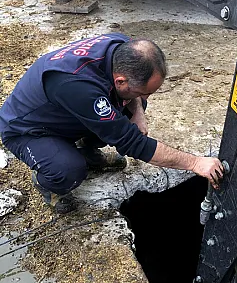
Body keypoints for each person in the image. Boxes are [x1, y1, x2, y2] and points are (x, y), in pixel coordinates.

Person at [0, 34, 224, 214]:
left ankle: (86, 150)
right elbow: (134, 144)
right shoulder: (77, 86)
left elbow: (131, 103)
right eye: (144, 92)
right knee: (69, 170)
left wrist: (138, 112)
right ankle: (48, 180)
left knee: (130, 109)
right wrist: (195, 163)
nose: (146, 97)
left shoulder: (122, 48)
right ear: (120, 80)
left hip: (67, 112)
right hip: (27, 130)